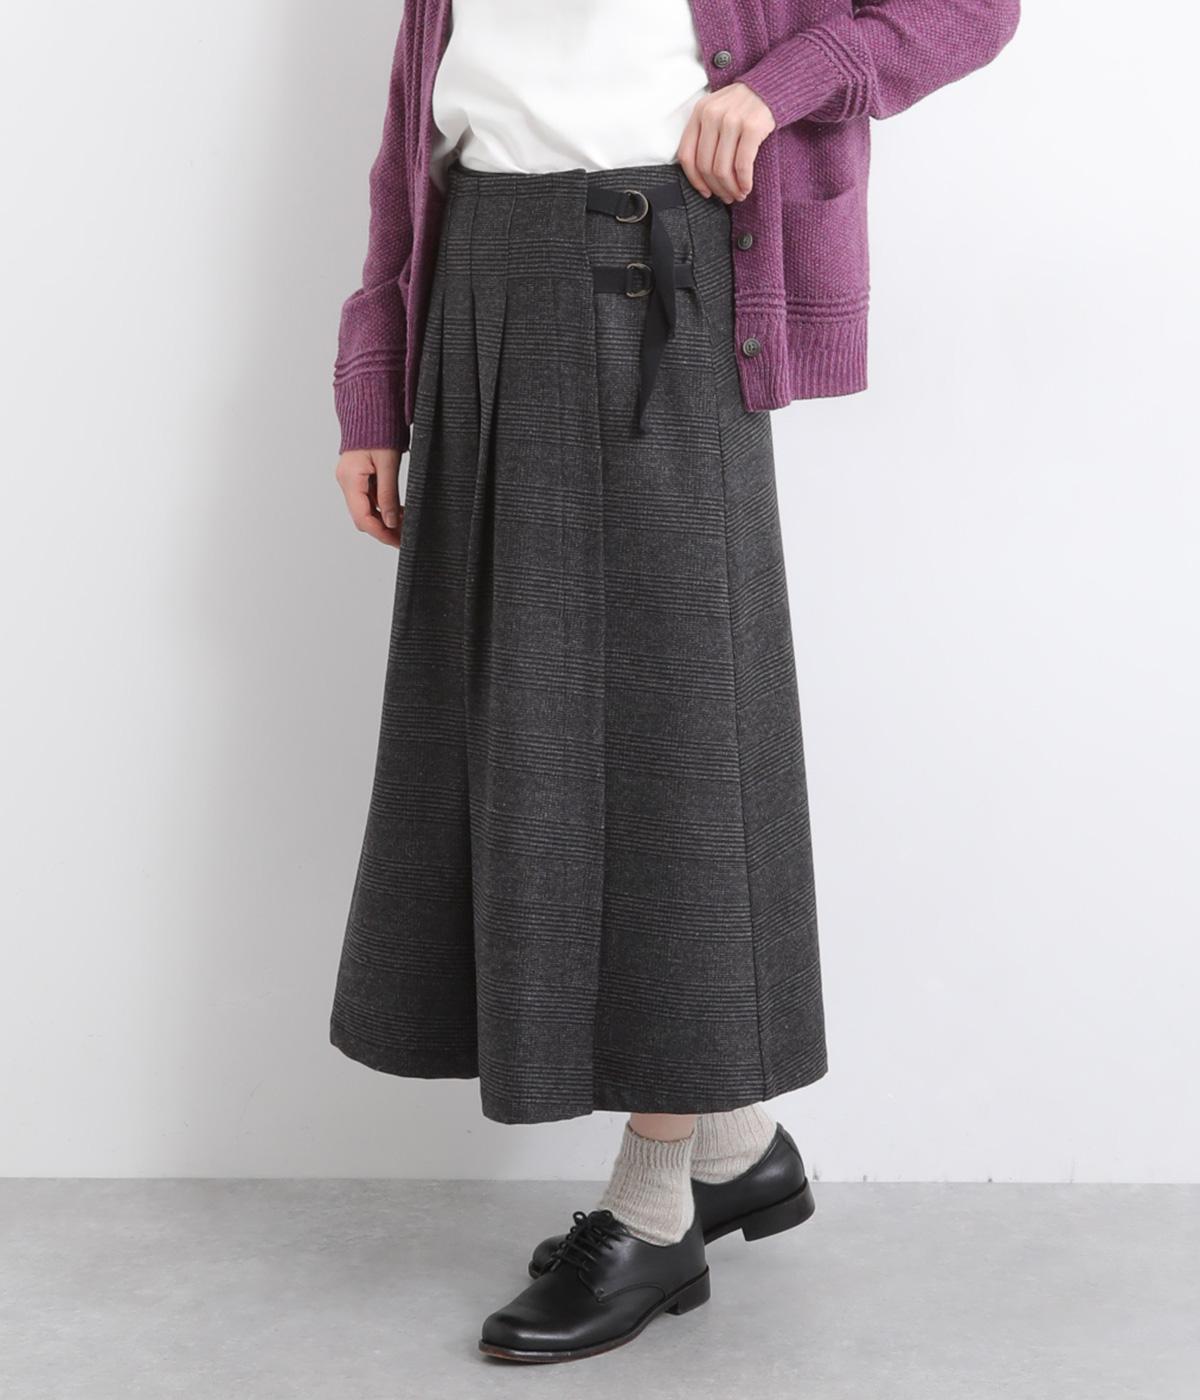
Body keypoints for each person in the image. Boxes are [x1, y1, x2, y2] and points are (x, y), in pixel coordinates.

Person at [328, 0, 1019, 1365]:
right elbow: (416, 133)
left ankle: (655, 1207)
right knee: (508, 742)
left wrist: (782, 83)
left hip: (656, 267)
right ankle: (736, 1146)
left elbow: (975, 8)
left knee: (673, 749)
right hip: (480, 281)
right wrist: (375, 374)